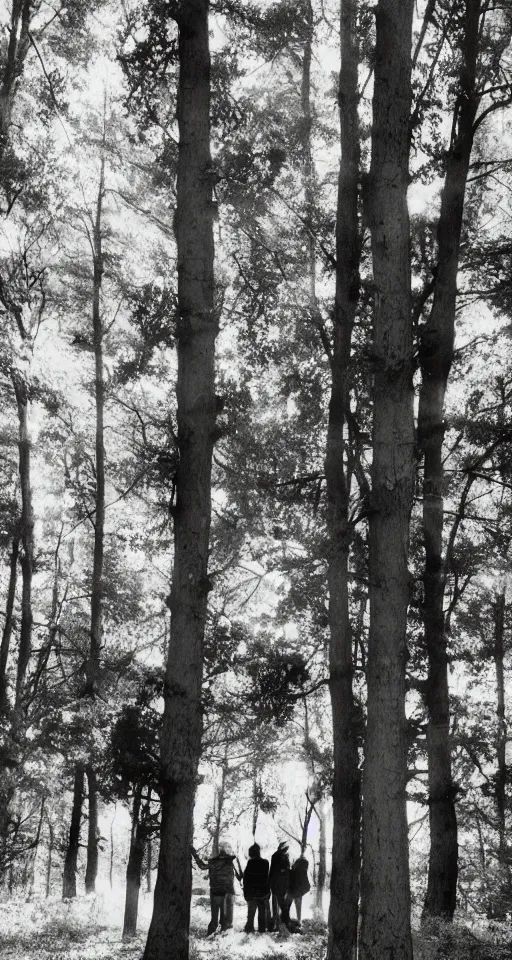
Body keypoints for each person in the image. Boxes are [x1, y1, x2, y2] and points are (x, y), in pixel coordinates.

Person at [192, 839, 241, 936]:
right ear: (224, 850)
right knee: (226, 919)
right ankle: (224, 934)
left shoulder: (214, 861)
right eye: (228, 847)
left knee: (215, 917)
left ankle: (211, 934)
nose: (230, 849)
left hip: (217, 891)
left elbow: (202, 866)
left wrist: (194, 854)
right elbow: (240, 875)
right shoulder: (231, 861)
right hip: (228, 891)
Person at [243, 842, 271, 933]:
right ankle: (261, 930)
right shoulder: (265, 863)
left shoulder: (250, 863)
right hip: (263, 893)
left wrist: (246, 893)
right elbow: (267, 878)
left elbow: (246, 879)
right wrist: (268, 892)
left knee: (251, 913)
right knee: (262, 913)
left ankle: (249, 929)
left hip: (252, 893)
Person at [269, 841, 291, 930]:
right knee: (280, 904)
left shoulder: (282, 856)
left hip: (279, 884)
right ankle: (284, 923)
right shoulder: (278, 856)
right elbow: (275, 869)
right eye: (285, 849)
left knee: (279, 904)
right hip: (278, 884)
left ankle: (279, 923)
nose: (286, 850)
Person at [288, 853, 310, 924]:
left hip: (292, 891)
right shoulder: (303, 872)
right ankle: (299, 921)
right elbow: (307, 886)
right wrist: (301, 892)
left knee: (287, 907)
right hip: (298, 892)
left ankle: (287, 922)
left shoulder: (295, 870)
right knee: (298, 908)